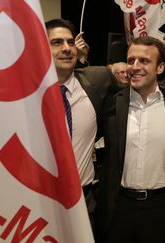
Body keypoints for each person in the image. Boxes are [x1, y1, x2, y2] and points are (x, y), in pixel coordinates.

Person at [95, 36, 165, 243]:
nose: (134, 67)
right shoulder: (111, 105)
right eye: (130, 60)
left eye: (144, 61)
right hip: (119, 209)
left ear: (160, 68)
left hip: (161, 209)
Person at [44, 18, 115, 230]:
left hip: (84, 200)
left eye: (70, 42)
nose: (66, 48)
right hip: (40, 201)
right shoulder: (24, 98)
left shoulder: (98, 81)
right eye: (56, 42)